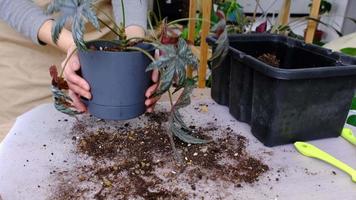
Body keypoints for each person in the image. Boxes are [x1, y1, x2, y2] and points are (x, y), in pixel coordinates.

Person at [0, 0, 158, 139]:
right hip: (28, 47)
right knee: (29, 135)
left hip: (107, 39)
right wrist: (75, 48)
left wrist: (135, 45)